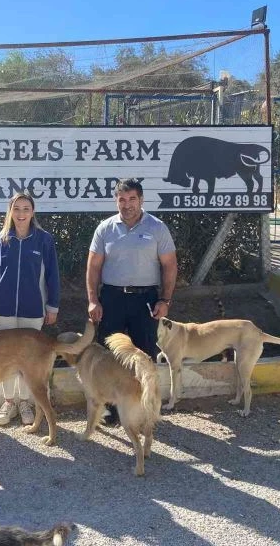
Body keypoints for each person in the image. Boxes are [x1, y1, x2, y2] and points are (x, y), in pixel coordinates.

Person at [86, 178, 177, 425]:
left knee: (144, 357)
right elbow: (93, 267)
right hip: (112, 298)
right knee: (109, 358)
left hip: (145, 300)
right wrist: (93, 300)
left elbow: (169, 265)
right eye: (122, 200)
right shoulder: (105, 228)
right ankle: (114, 411)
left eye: (132, 199)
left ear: (141, 199)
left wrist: (165, 300)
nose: (127, 205)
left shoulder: (157, 228)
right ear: (117, 201)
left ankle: (144, 411)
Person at [0, 192, 60, 427]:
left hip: (33, 309)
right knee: (4, 358)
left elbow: (53, 276)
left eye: (26, 209)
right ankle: (8, 402)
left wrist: (52, 305)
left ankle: (25, 402)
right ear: (10, 212)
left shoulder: (44, 240)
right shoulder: (1, 239)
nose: (21, 213)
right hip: (2, 309)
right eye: (17, 209)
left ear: (33, 212)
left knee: (28, 359)